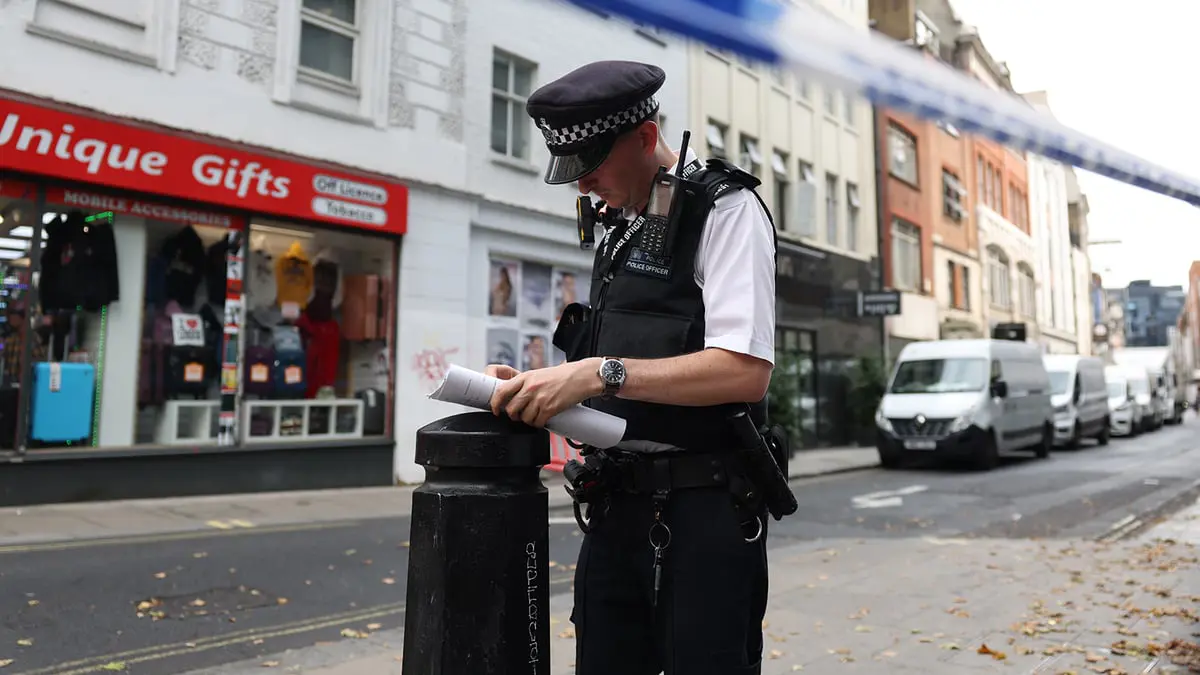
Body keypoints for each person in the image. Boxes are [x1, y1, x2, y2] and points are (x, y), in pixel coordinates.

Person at [484, 60, 779, 675]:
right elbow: (617, 370)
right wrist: (540, 390)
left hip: (703, 509)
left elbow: (745, 371)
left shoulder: (726, 211)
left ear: (645, 138)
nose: (582, 186)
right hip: (616, 507)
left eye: (591, 168)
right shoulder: (622, 225)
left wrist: (598, 373)